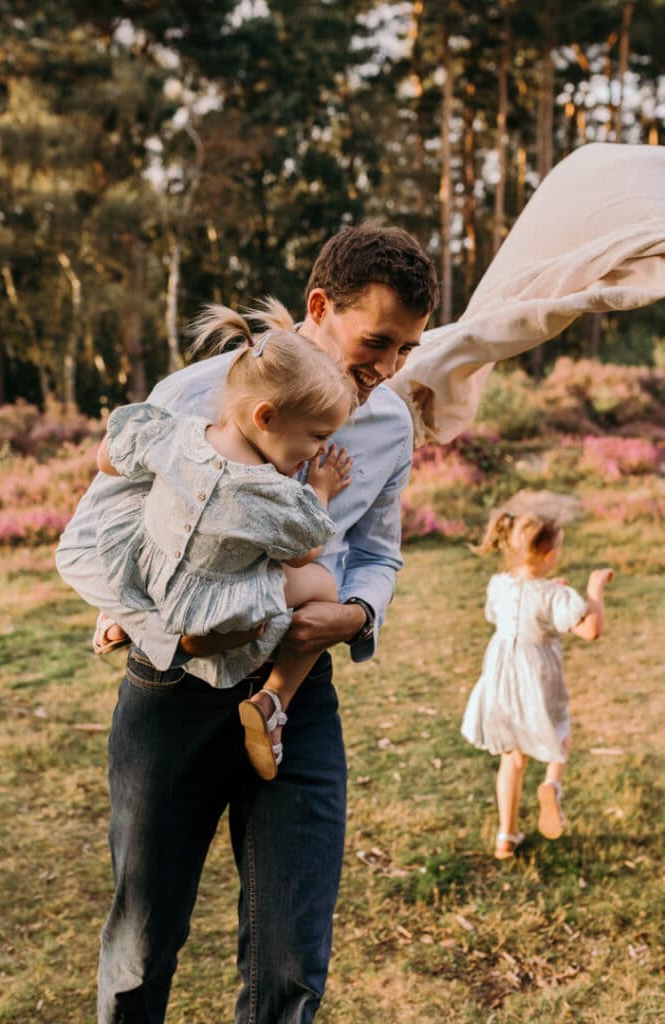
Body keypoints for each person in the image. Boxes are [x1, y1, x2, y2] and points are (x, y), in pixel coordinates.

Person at [55, 222, 439, 1024]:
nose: (390, 368)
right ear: (319, 305)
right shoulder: (194, 395)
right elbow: (95, 539)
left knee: (293, 957)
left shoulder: (390, 423)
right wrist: (182, 633)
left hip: (297, 697)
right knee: (141, 945)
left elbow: (376, 551)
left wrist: (355, 612)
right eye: (378, 341)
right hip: (173, 690)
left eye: (407, 348)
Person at [94, 300, 357, 780]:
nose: (319, 449)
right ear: (266, 417)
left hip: (151, 572)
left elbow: (107, 458)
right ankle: (274, 697)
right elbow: (304, 554)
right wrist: (320, 489)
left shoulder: (179, 434)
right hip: (218, 610)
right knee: (322, 585)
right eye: (317, 435)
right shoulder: (270, 493)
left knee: (143, 504)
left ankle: (128, 607)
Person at [460, 510, 613, 860]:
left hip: (500, 678)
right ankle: (551, 784)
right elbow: (590, 629)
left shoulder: (499, 585)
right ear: (549, 554)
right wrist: (593, 589)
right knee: (559, 733)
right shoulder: (554, 596)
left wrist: (550, 590)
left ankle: (506, 836)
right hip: (537, 678)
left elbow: (499, 615)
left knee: (512, 759)